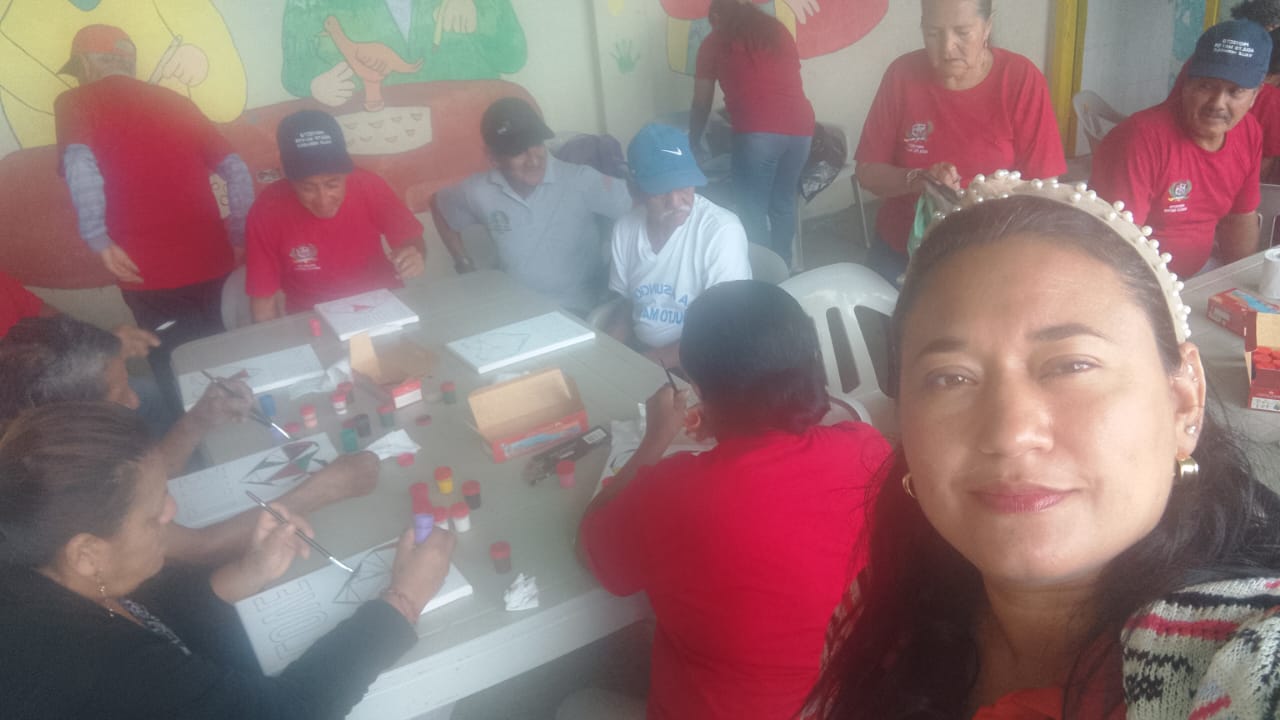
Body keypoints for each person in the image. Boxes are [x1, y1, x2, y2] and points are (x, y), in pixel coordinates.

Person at [805, 174, 1280, 718]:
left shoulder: (1253, 657)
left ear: (1184, 400)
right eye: (950, 377)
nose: (1010, 434)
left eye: (1072, 365)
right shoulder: (879, 618)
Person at [0, 401, 457, 719]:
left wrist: (246, 573)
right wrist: (402, 601)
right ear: (86, 553)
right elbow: (288, 713)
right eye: (153, 514)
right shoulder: (93, 671)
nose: (171, 511)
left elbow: (154, 609)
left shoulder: (46, 569)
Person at [574, 280, 891, 720]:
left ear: (699, 387)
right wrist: (730, 426)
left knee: (574, 704)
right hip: (839, 703)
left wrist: (654, 439)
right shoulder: (868, 450)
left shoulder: (675, 492)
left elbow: (591, 550)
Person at [0, 316, 379, 567]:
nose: (134, 401)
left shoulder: (51, 441)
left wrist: (199, 419)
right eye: (118, 395)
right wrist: (325, 489)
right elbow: (203, 548)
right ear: (69, 420)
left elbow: (141, 473)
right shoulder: (59, 489)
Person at [53, 24, 255, 412]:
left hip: (146, 274)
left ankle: (194, 438)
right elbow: (236, 169)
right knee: (226, 355)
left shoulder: (75, 100)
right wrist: (239, 234)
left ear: (86, 64)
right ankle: (243, 425)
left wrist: (97, 237)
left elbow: (79, 164)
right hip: (214, 261)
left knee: (178, 369)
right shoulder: (176, 101)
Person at [854, 0, 1065, 285]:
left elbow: (1045, 188)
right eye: (933, 33)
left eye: (962, 33)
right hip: (903, 250)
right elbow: (868, 171)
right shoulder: (901, 75)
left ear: (987, 27)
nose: (947, 48)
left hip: (988, 253)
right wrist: (919, 180)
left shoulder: (1020, 80)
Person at [1093, 21, 1270, 278]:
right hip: (1137, 281)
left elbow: (1240, 217)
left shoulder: (1249, 132)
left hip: (1199, 275)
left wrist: (1238, 284)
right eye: (1206, 86)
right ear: (1187, 83)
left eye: (1235, 91)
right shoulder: (1139, 139)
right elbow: (1113, 248)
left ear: (1255, 95)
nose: (1217, 104)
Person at [433, 97, 633, 316]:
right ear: (493, 158)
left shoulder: (580, 180)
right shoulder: (478, 190)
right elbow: (439, 205)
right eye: (518, 151)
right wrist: (463, 264)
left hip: (578, 310)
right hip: (512, 308)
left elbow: (642, 206)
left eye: (537, 144)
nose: (533, 159)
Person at [245, 109, 426, 322]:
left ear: (347, 173)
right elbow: (263, 301)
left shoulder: (369, 185)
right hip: (312, 318)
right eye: (308, 188)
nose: (323, 200)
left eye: (333, 184)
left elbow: (411, 239)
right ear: (288, 178)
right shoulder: (267, 210)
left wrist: (414, 255)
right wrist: (271, 340)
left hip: (382, 304)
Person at [606, 123, 752, 368]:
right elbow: (627, 304)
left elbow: (723, 327)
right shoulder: (625, 229)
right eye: (660, 191)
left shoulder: (721, 231)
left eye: (683, 185)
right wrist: (607, 353)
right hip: (644, 355)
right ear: (635, 189)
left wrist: (642, 366)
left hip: (705, 358)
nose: (675, 201)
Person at [689, 0, 814, 265]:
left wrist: (693, 140)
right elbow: (781, 82)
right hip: (801, 128)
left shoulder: (714, 42)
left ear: (716, 16)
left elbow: (701, 102)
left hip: (759, 132)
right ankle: (783, 268)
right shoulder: (777, 31)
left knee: (751, 209)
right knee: (783, 202)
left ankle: (759, 274)